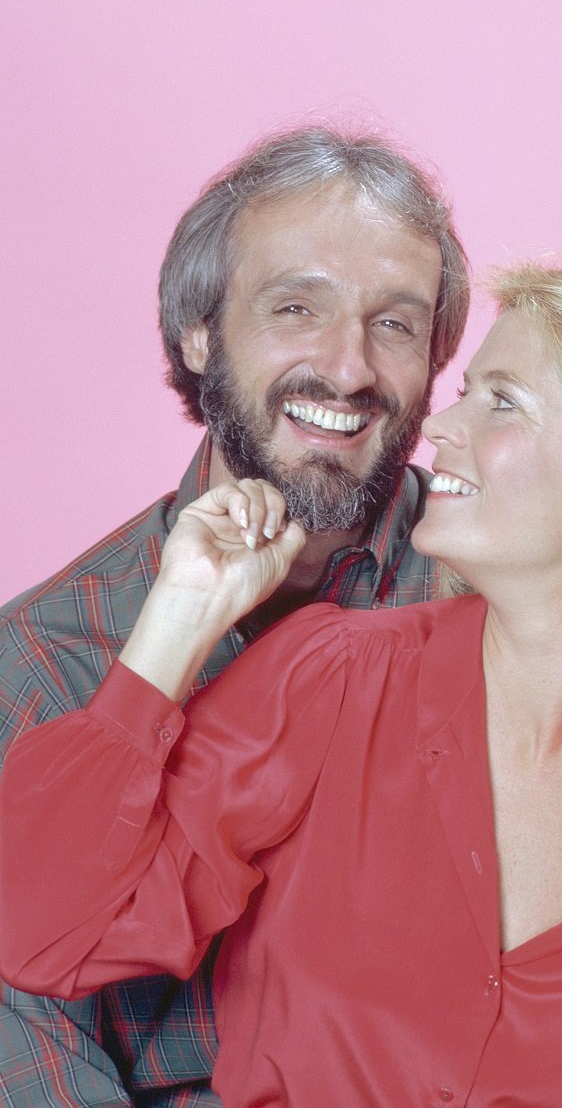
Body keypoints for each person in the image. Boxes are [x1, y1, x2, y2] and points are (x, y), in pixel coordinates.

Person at [4, 263, 562, 1106]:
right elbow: (45, 932)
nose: (440, 424)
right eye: (464, 391)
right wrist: (175, 624)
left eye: (501, 401)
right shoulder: (332, 680)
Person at [0, 126, 469, 1106]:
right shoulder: (42, 661)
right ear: (198, 332)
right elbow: (24, 1018)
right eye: (296, 307)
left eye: (393, 324)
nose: (346, 369)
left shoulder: (508, 594)